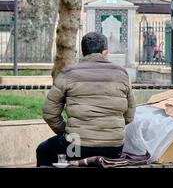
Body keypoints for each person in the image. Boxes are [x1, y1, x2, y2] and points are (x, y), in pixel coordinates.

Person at [36, 32, 135, 167]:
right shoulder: (122, 73)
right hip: (113, 148)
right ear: (105, 52)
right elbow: (130, 115)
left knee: (43, 150)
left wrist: (65, 132)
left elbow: (49, 113)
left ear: (83, 52)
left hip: (76, 147)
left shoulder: (68, 73)